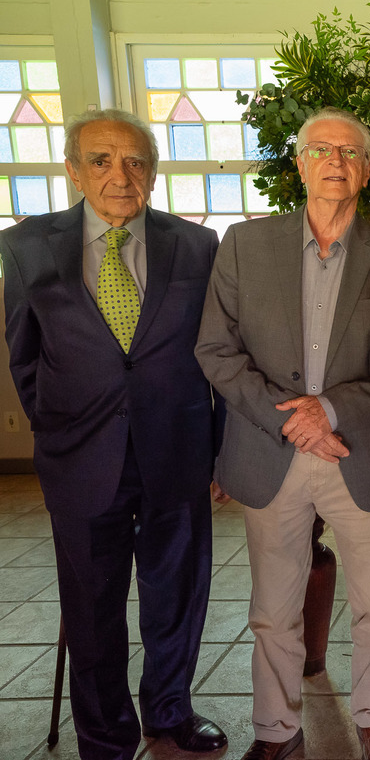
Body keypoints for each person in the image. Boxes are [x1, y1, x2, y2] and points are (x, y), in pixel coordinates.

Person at [195, 107, 370, 760]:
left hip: (360, 454)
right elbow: (215, 351)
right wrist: (294, 418)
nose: (335, 161)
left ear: (366, 169)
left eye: (350, 152)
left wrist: (328, 410)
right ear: (299, 163)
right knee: (273, 605)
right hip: (270, 454)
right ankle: (275, 728)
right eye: (321, 149)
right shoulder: (243, 244)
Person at [0, 109, 226, 759]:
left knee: (176, 598)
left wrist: (215, 445)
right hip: (81, 461)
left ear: (152, 172)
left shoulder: (196, 245)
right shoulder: (27, 245)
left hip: (176, 452)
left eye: (134, 161)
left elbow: (216, 351)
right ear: (72, 168)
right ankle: (105, 734)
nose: (119, 175)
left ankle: (170, 711)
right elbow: (25, 356)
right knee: (93, 611)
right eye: (100, 159)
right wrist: (62, 437)